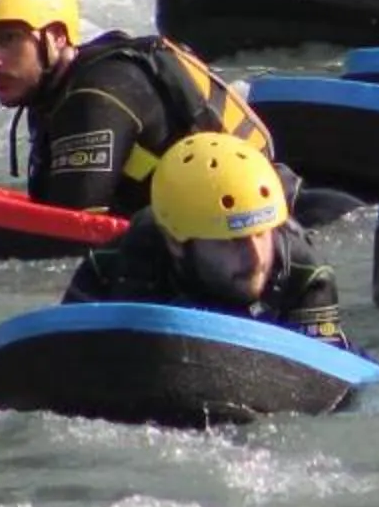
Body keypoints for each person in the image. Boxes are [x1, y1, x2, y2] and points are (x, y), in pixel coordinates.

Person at [0, 0, 281, 218]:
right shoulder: (49, 92)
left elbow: (63, 233)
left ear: (57, 37)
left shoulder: (95, 96)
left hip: (275, 232)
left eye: (8, 39)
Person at [61, 134, 351, 349]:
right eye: (231, 242)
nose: (256, 257)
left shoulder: (306, 273)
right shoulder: (112, 265)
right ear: (176, 243)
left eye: (261, 234)